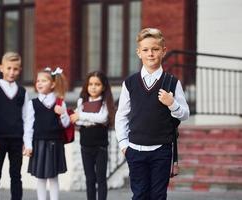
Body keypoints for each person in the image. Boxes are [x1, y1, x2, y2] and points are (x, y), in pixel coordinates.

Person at [115, 28, 190, 200]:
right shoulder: (130, 83)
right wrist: (124, 144)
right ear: (138, 52)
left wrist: (172, 104)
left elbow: (185, 114)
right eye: (146, 50)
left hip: (161, 150)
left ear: (163, 51)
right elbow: (121, 115)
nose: (150, 54)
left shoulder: (172, 82)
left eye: (155, 49)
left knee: (158, 195)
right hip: (135, 149)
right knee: (139, 194)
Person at [0, 52, 29, 200]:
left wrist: (26, 141)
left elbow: (26, 118)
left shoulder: (23, 92)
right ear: (1, 68)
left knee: (16, 174)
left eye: (15, 69)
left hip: (17, 139)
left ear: (20, 70)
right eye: (9, 68)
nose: (12, 72)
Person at [23, 67, 69, 200]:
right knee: (40, 177)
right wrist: (28, 145)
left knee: (53, 177)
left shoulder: (60, 102)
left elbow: (66, 124)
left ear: (53, 84)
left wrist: (63, 113)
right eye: (38, 80)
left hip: (55, 143)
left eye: (44, 80)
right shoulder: (33, 104)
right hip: (39, 143)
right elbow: (28, 126)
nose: (39, 83)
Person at [70, 71, 115, 200]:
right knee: (89, 178)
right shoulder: (82, 101)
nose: (93, 87)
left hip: (100, 145)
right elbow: (76, 120)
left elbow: (102, 118)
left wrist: (82, 116)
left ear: (103, 87)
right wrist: (87, 118)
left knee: (101, 179)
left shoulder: (105, 102)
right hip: (85, 144)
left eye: (97, 84)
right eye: (90, 84)